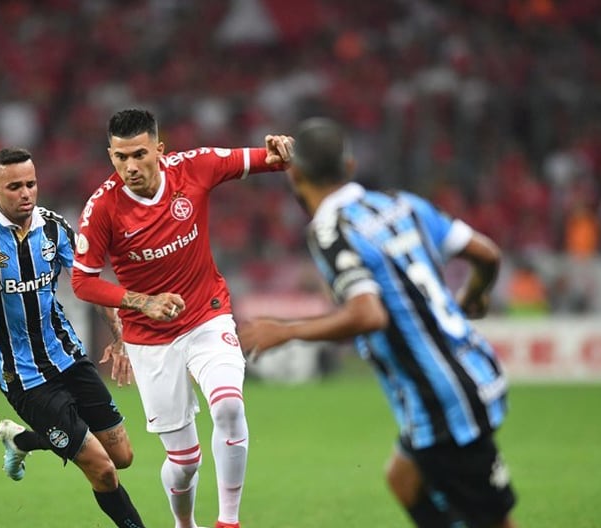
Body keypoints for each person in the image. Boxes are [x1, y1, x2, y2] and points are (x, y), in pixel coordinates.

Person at [238, 118, 518, 528]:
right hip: (474, 370)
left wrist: (287, 330)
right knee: (404, 480)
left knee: (493, 523)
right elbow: (488, 254)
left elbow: (368, 314)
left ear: (294, 174)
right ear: (349, 166)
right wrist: (475, 294)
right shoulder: (401, 204)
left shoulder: (332, 231)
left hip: (443, 398)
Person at [70, 108, 293, 528]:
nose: (130, 167)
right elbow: (83, 281)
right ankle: (184, 524)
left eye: (139, 154)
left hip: (207, 315)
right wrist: (142, 302)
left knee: (228, 405)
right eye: (120, 158)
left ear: (159, 148)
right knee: (185, 462)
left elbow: (270, 158)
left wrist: (286, 148)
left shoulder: (194, 168)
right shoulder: (102, 208)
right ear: (110, 156)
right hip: (150, 339)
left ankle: (228, 521)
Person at [0, 147, 146, 528]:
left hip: (67, 357)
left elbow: (89, 282)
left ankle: (23, 442)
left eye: (31, 183)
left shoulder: (54, 227)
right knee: (105, 470)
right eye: (14, 186)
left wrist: (119, 334)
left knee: (123, 455)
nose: (26, 193)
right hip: (23, 375)